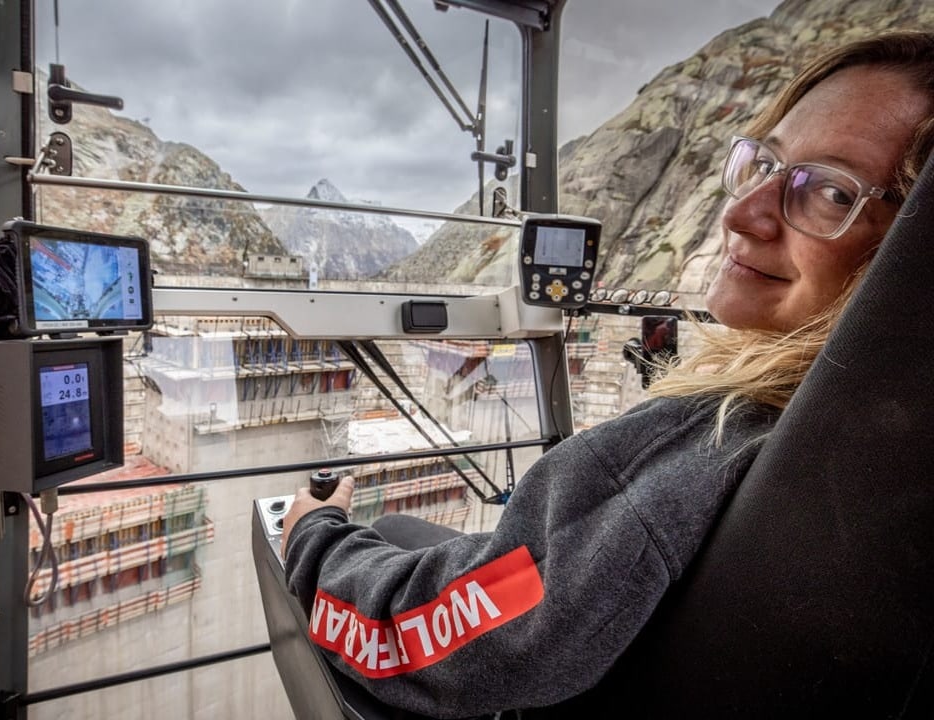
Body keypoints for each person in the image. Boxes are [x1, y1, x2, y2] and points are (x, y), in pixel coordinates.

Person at [282, 31, 934, 718]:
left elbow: (425, 642)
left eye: (829, 192)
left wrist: (312, 537)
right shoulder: (884, 460)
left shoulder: (716, 436)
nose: (742, 214)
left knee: (385, 536)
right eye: (763, 163)